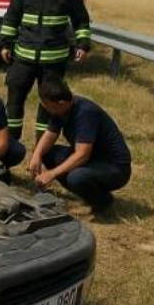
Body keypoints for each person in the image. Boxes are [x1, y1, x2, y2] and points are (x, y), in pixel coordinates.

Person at [0, 0, 92, 141]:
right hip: (23, 58)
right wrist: (6, 44)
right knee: (14, 101)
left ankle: (41, 149)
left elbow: (81, 20)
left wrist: (83, 44)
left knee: (48, 105)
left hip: (54, 61)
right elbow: (11, 18)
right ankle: (11, 144)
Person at [27, 78, 132, 212]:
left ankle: (103, 201)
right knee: (47, 153)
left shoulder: (85, 112)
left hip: (114, 167)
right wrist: (36, 155)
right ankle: (85, 193)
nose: (45, 108)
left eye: (47, 105)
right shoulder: (59, 110)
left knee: (76, 178)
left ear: (61, 103)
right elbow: (50, 134)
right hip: (92, 159)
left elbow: (82, 155)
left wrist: (51, 174)